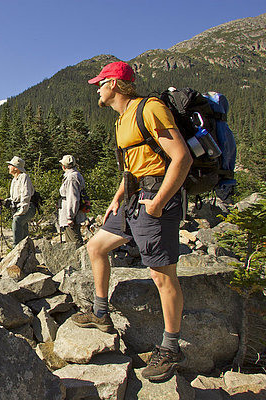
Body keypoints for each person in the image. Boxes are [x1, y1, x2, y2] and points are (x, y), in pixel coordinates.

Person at [71, 61, 193, 382]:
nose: (96, 88)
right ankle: (101, 313)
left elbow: (182, 157)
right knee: (96, 246)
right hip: (133, 199)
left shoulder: (149, 109)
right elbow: (135, 165)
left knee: (161, 275)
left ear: (114, 84)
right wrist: (117, 196)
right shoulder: (122, 120)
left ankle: (170, 347)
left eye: (100, 83)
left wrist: (159, 204)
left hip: (156, 200)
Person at [0, 156, 36, 246]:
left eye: (10, 165)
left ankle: (16, 248)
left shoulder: (24, 177)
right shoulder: (14, 180)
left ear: (15, 168)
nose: (8, 167)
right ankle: (26, 248)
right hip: (20, 207)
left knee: (17, 221)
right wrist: (3, 202)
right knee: (22, 226)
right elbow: (14, 198)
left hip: (28, 207)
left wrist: (22, 211)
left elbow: (26, 195)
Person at [57, 154, 86, 247]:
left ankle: (80, 260)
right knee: (73, 239)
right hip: (72, 212)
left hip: (70, 214)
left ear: (64, 166)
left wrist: (70, 217)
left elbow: (73, 198)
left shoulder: (71, 178)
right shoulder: (76, 175)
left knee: (74, 241)